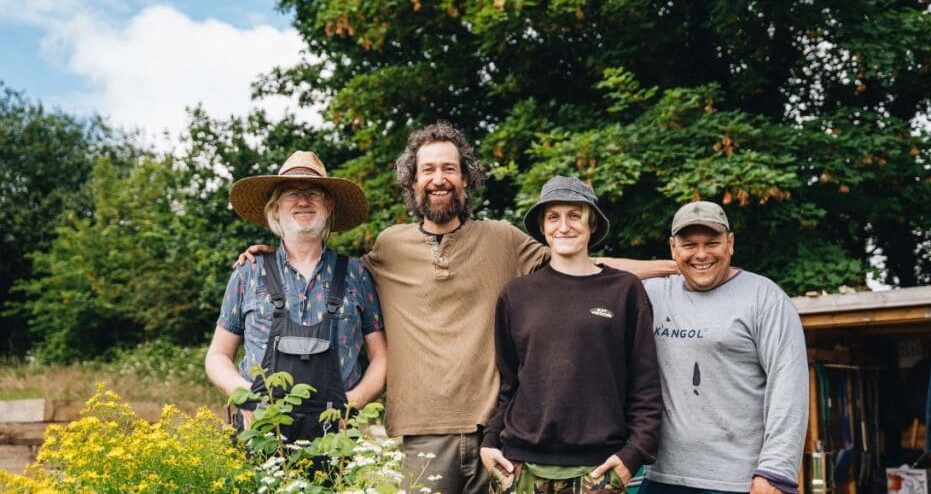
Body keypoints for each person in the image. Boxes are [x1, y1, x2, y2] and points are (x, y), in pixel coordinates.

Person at [237, 122, 677, 494]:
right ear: (412, 182)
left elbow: (585, 265)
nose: (439, 178)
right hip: (423, 432)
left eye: (450, 168)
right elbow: (330, 275)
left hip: (496, 435)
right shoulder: (389, 247)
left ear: (466, 179)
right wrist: (275, 256)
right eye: (428, 169)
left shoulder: (502, 239)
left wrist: (678, 266)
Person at [480, 175, 662, 494]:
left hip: (599, 469)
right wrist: (490, 441)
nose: (564, 226)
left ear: (592, 224)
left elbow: (645, 386)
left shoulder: (625, 291)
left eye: (575, 216)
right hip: (520, 465)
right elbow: (510, 384)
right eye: (554, 217)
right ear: (543, 227)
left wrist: (633, 455)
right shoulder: (517, 295)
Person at [205, 150, 387, 442]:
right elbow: (217, 356)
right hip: (261, 433)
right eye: (292, 193)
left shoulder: (356, 274)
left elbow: (382, 357)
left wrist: (354, 402)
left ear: (329, 205)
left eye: (313, 193)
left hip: (336, 437)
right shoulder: (249, 272)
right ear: (276, 208)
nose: (303, 201)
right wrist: (244, 396)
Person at [639, 201, 808, 494]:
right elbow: (588, 269)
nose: (701, 254)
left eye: (712, 243)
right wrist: (667, 266)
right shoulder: (652, 295)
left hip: (738, 481)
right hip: (662, 477)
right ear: (672, 248)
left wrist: (776, 472)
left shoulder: (765, 299)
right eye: (689, 245)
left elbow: (789, 388)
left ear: (730, 243)